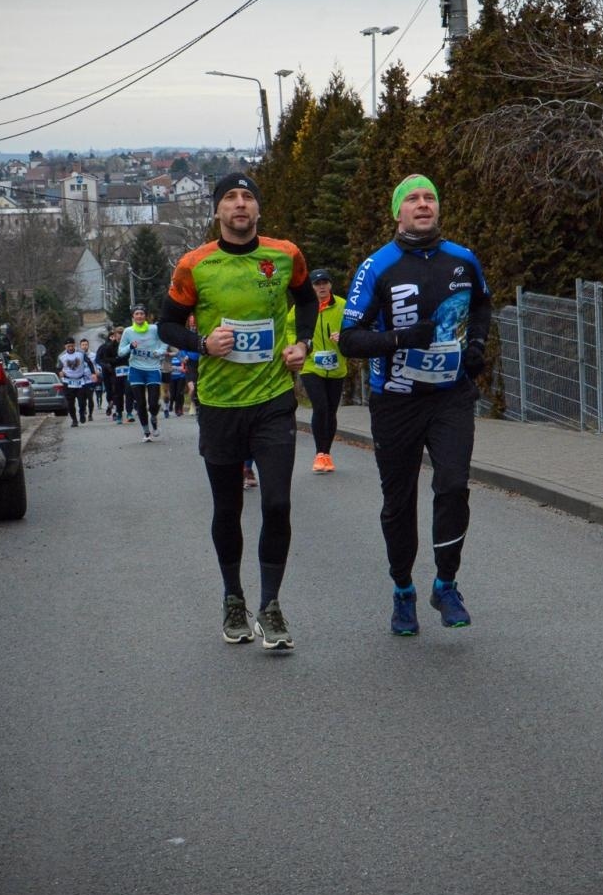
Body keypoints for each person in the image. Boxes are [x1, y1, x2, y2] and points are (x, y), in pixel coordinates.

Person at [157, 172, 315, 650]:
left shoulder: (284, 255)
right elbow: (166, 325)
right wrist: (202, 343)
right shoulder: (195, 264)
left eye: (248, 197)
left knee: (277, 503)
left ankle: (270, 606)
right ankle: (232, 597)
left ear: (258, 209)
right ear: (217, 211)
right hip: (220, 404)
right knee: (228, 507)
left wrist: (303, 344)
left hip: (273, 401)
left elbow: (307, 298)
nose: (240, 204)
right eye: (230, 197)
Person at [339, 174, 491, 637]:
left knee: (453, 485)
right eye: (413, 199)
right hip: (397, 401)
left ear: (438, 208)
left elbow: (482, 304)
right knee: (399, 502)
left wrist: (477, 345)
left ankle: (446, 584)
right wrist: (401, 338)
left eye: (430, 197)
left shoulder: (462, 259)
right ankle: (403, 589)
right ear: (397, 212)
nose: (423, 204)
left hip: (450, 397)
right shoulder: (377, 266)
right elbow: (349, 339)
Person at [289, 268, 348, 474]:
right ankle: (319, 453)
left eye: (325, 282)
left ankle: (326, 454)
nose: (321, 287)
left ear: (330, 285)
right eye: (317, 284)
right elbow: (289, 327)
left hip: (336, 366)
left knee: (331, 410)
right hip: (311, 365)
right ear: (311, 287)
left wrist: (344, 336)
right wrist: (297, 345)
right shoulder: (303, 307)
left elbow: (355, 326)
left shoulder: (342, 305)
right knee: (320, 406)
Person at [119, 305, 167, 442]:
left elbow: (164, 343)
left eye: (141, 313)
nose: (139, 316)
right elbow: (120, 352)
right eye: (136, 314)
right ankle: (146, 432)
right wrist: (130, 346)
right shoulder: (128, 331)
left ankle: (154, 417)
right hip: (136, 370)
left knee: (153, 403)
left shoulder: (154, 329)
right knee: (140, 404)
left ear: (145, 316)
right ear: (133, 317)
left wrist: (159, 352)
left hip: (153, 369)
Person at [56, 339, 94, 427]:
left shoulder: (81, 353)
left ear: (74, 345)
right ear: (65, 347)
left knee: (82, 401)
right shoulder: (61, 356)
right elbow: (58, 367)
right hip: (68, 382)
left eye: (72, 346)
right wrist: (59, 372)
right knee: (70, 403)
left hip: (80, 381)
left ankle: (82, 414)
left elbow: (89, 363)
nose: (70, 348)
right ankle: (74, 420)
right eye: (68, 346)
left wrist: (93, 373)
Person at [95, 329, 124, 422]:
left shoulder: (119, 346)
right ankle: (110, 404)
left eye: (114, 336)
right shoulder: (103, 347)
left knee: (117, 391)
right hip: (106, 372)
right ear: (108, 337)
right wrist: (105, 366)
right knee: (109, 391)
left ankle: (116, 411)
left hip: (116, 372)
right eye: (111, 337)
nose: (113, 338)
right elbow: (98, 360)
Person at [78, 338, 98, 420]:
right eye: (83, 345)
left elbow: (97, 365)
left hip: (90, 380)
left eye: (86, 345)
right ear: (80, 346)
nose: (84, 346)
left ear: (88, 345)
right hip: (80, 381)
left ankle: (90, 414)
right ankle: (83, 410)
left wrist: (97, 372)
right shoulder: (78, 356)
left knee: (90, 397)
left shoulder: (93, 355)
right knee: (82, 399)